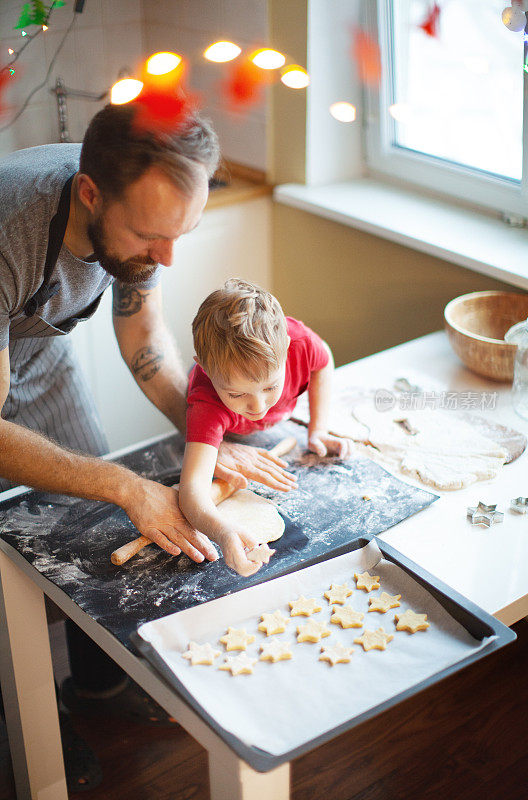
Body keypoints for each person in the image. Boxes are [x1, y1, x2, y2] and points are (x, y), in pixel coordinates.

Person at [0, 103, 295, 790]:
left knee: (81, 516)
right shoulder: (7, 233)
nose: (164, 258)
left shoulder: (141, 210)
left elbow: (144, 340)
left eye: (178, 236)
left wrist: (206, 438)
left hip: (34, 350)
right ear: (89, 195)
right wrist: (129, 486)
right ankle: (22, 734)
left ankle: (96, 686)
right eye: (150, 237)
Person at [179, 278, 354, 577]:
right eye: (236, 394)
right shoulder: (207, 404)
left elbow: (323, 362)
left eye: (271, 386)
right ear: (206, 370)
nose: (258, 407)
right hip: (229, 432)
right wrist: (223, 531)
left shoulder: (300, 343)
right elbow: (192, 490)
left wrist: (318, 429)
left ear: (287, 348)